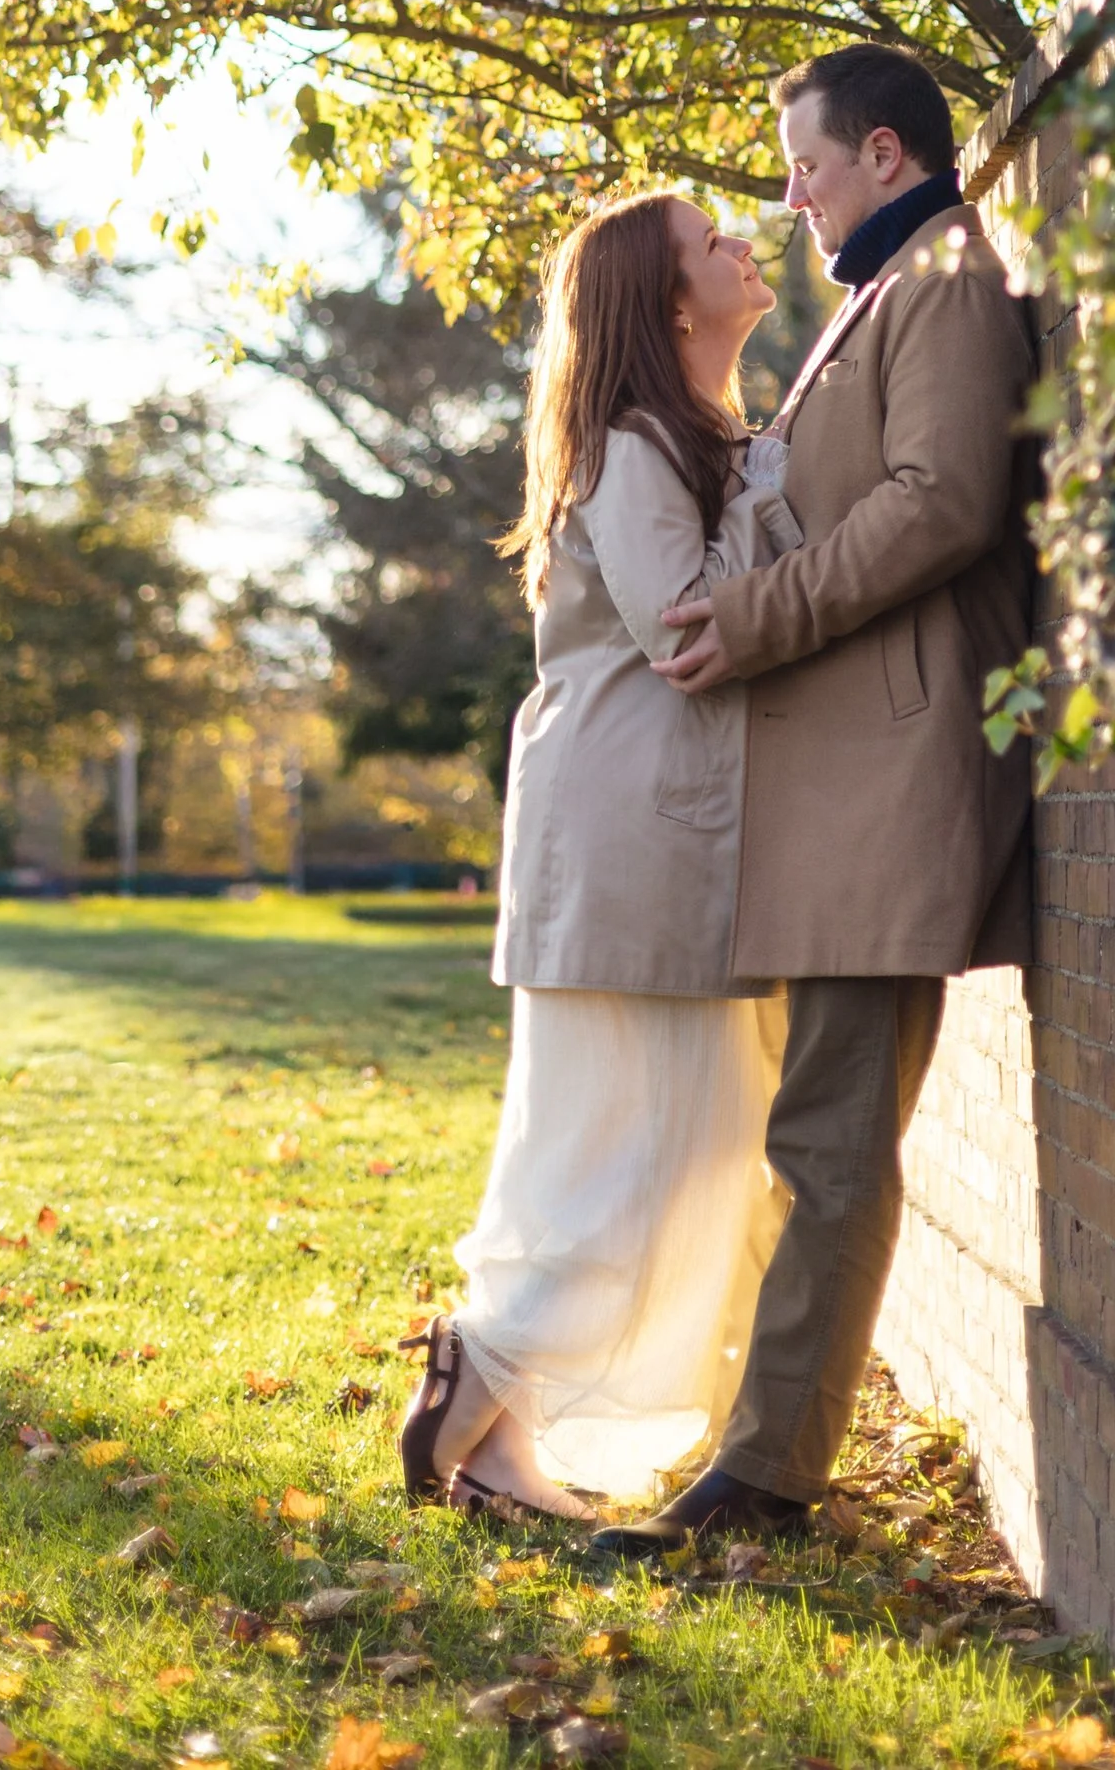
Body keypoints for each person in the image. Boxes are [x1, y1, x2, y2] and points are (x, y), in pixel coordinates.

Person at [590, 42, 1038, 1559]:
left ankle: (763, 1484)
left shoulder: (951, 280)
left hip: (893, 777)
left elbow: (943, 500)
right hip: (842, 784)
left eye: (809, 164)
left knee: (832, 1135)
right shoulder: (877, 294)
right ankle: (758, 1459)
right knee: (818, 1126)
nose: (787, 197)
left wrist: (762, 616)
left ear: (891, 156)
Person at [398, 189, 799, 1518]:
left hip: (635, 838)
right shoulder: (638, 444)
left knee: (646, 1141)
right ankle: (482, 1363)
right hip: (635, 839)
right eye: (711, 243)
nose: (746, 242)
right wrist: (783, 478)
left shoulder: (683, 433)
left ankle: (493, 1433)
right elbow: (690, 626)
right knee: (645, 1149)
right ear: (670, 300)